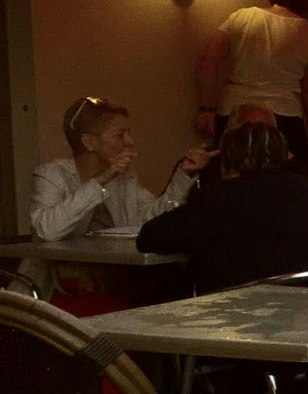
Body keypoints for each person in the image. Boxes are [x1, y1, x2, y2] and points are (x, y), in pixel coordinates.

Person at [25, 96, 214, 308]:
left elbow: (151, 220)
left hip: (115, 284)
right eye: (120, 134)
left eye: (128, 133)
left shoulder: (124, 177)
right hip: (57, 293)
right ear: (89, 142)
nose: (130, 141)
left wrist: (184, 175)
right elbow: (47, 230)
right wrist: (102, 180)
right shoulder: (51, 174)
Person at [137, 122, 308, 293]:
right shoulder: (302, 190)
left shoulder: (218, 197)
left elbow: (149, 237)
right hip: (303, 303)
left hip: (236, 310)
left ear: (227, 159)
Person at [196, 0, 308, 173]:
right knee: (288, 178)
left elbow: (209, 61)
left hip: (235, 111)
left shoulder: (242, 17)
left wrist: (206, 108)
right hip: (284, 114)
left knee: (231, 172)